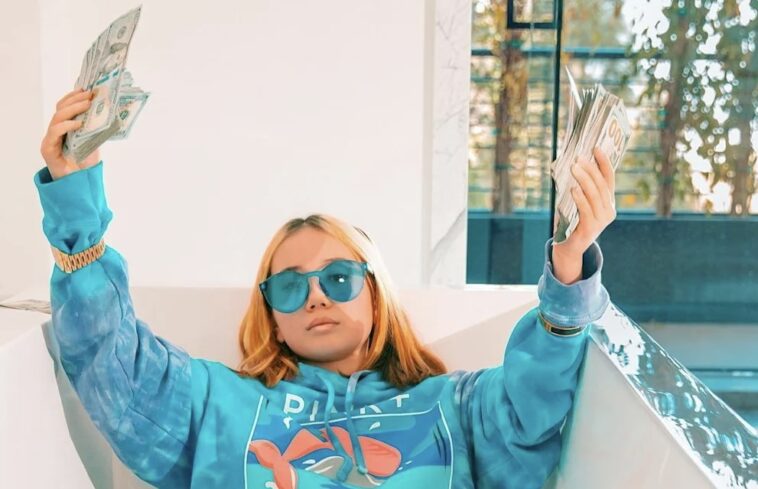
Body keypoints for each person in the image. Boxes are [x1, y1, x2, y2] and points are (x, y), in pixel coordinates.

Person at [35, 88, 615, 488]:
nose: (316, 297)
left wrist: (568, 268)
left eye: (339, 278)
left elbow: (532, 407)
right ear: (271, 315)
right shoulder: (217, 404)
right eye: (290, 287)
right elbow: (113, 367)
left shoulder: (456, 407)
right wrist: (74, 203)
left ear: (375, 295)